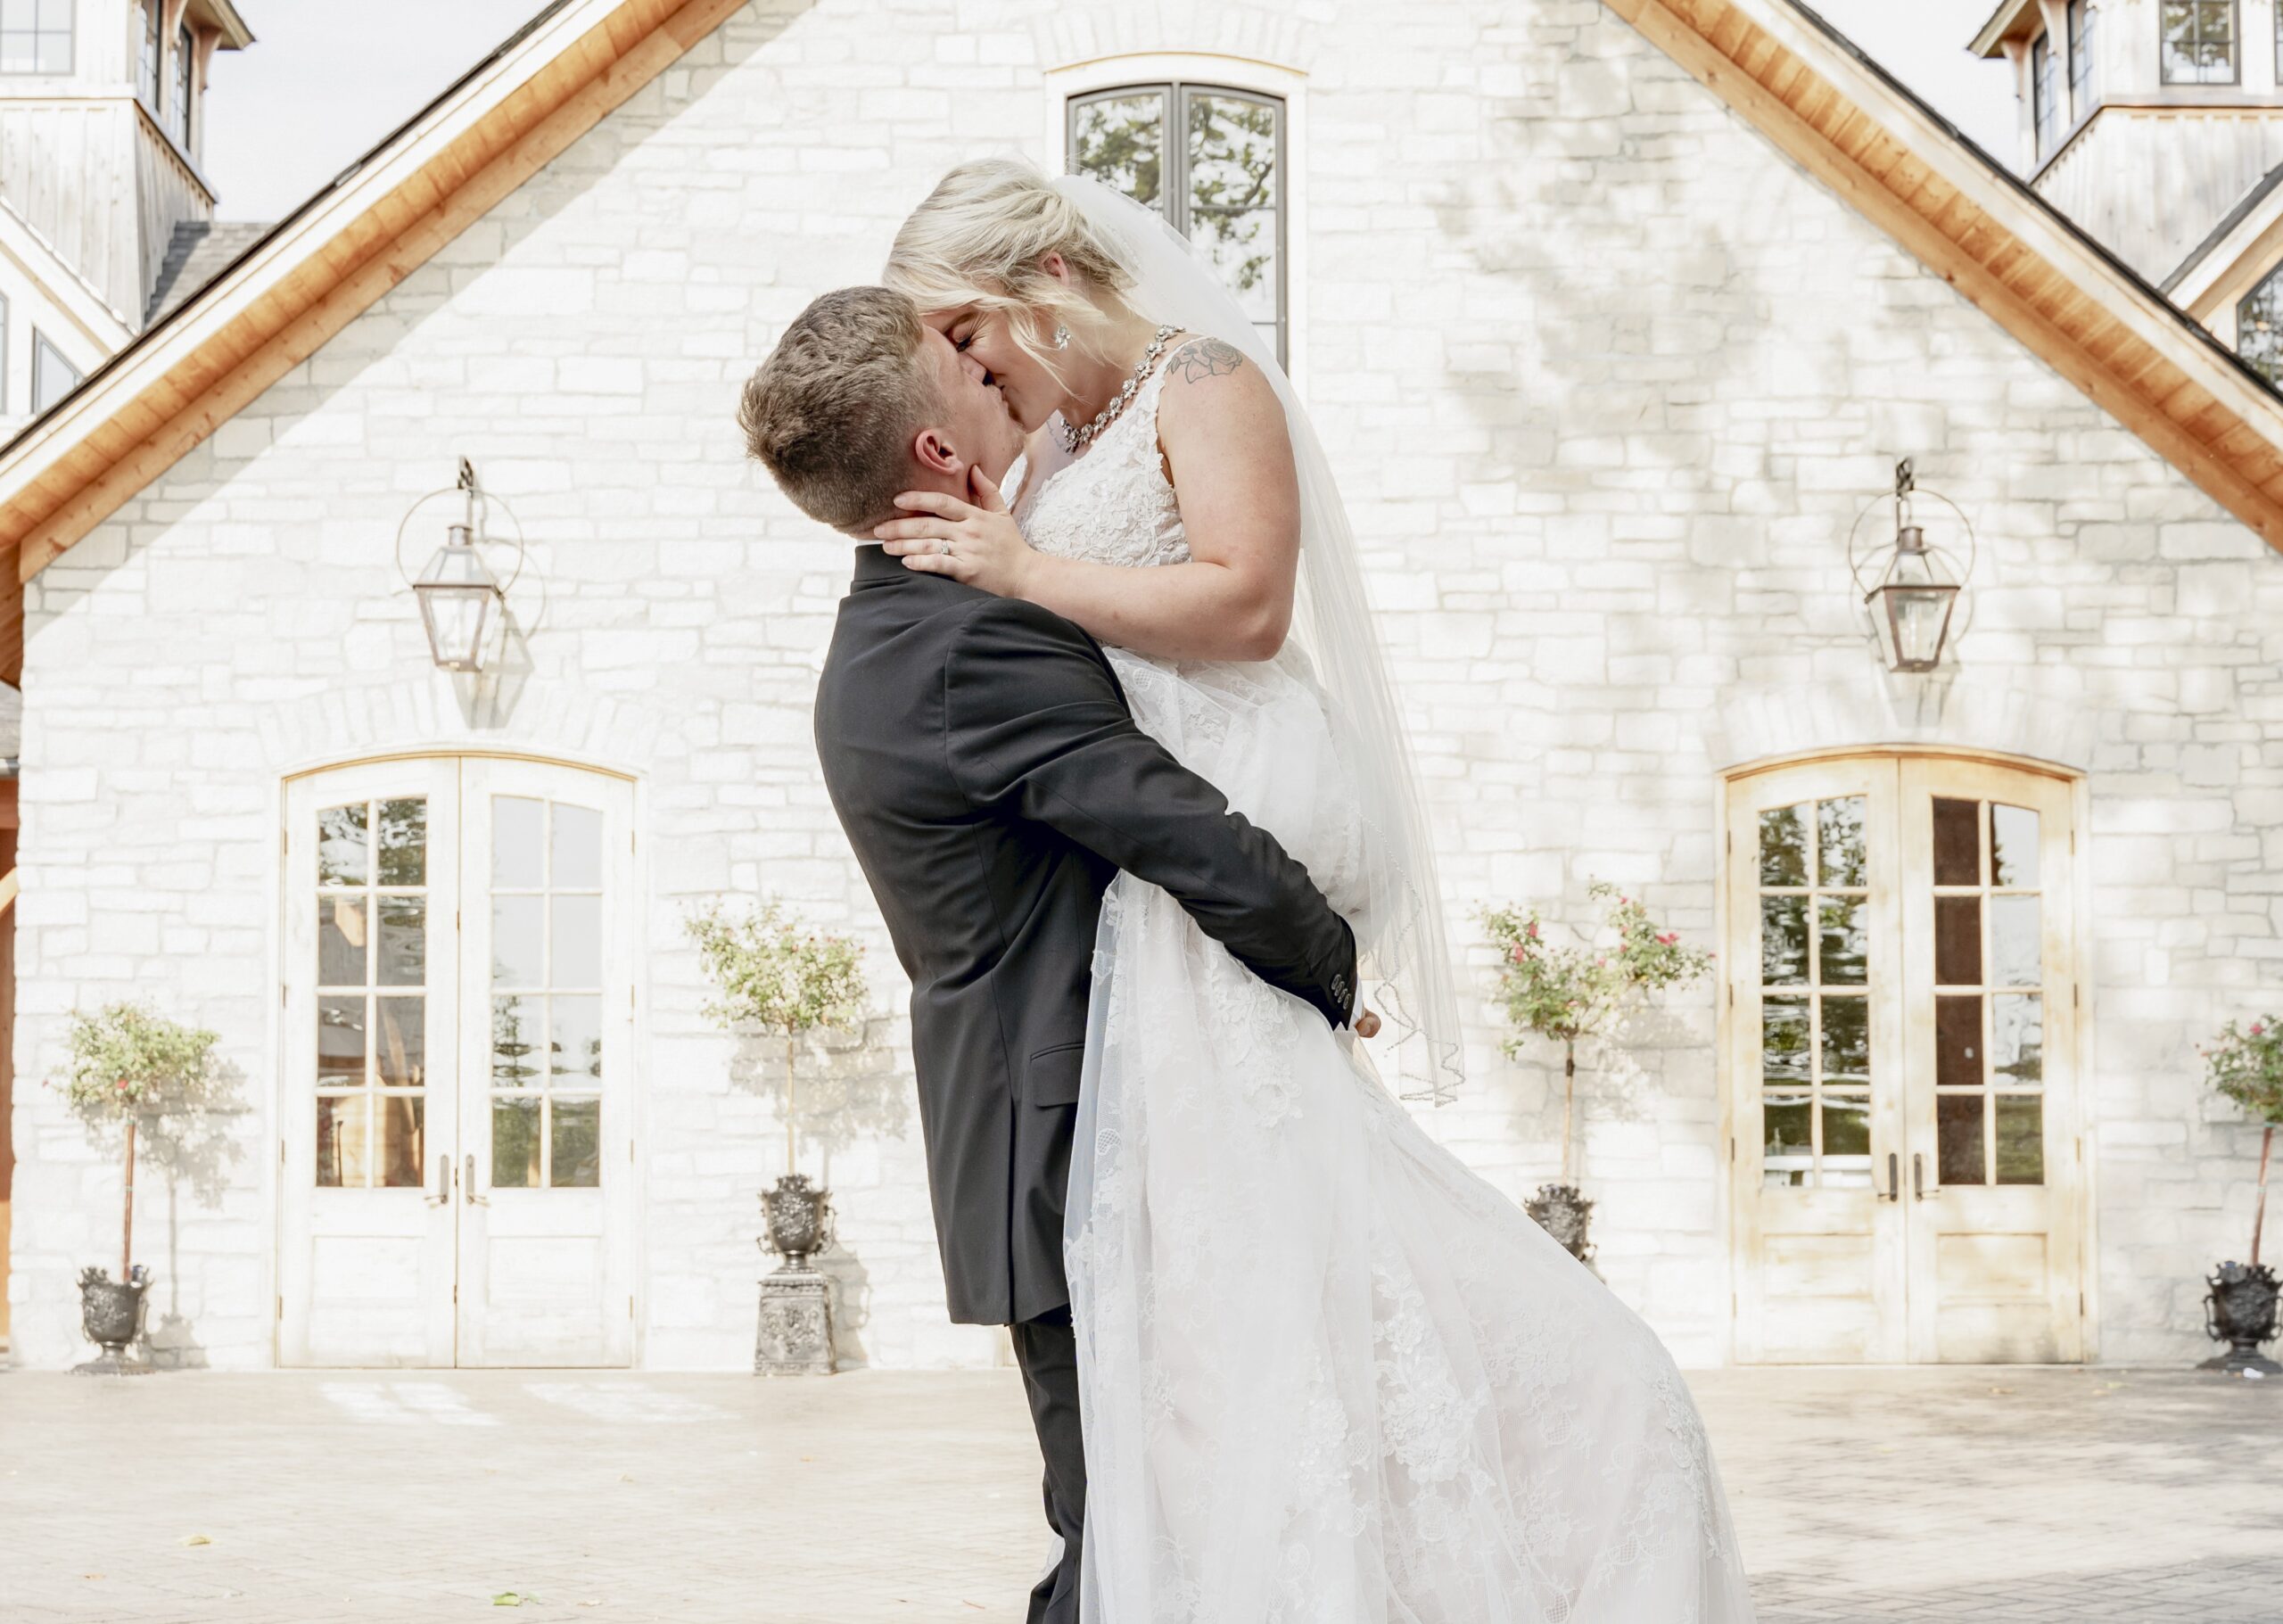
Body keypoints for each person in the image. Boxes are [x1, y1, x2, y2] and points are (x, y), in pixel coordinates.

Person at [872, 159, 1761, 1623]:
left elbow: (1248, 599)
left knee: (1313, 1253)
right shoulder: (1046, 452)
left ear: (1037, 288)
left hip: (1216, 859)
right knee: (1226, 1314)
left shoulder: (1203, 383)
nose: (964, 380)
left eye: (965, 341)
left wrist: (1026, 572)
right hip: (1145, 901)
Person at [738, 284, 1372, 1624]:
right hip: (1077, 1141)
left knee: (1136, 1530)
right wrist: (1333, 959)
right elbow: (1172, 825)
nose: (988, 367)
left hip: (1039, 1138)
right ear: (937, 454)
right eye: (958, 365)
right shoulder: (972, 641)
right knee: (1123, 1547)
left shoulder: (887, 636)